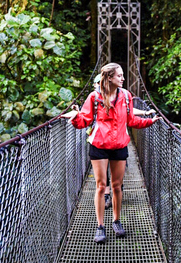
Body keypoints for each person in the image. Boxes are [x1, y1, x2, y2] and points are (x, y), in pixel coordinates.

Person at [61, 63, 160, 244]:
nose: (123, 78)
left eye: (123, 75)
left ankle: (116, 220)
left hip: (119, 144)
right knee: (100, 185)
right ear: (109, 78)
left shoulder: (126, 96)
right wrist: (75, 117)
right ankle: (100, 226)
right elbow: (85, 120)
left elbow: (131, 120)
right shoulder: (94, 97)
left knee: (116, 186)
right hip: (99, 144)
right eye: (119, 76)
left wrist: (148, 122)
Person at [91, 74, 156, 210]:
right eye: (96, 84)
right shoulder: (94, 98)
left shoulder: (121, 97)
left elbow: (128, 113)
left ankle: (115, 194)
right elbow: (85, 115)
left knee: (116, 174)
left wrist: (145, 115)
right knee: (102, 177)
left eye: (99, 83)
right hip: (99, 141)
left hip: (118, 141)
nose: (97, 87)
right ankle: (107, 196)